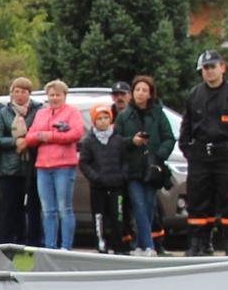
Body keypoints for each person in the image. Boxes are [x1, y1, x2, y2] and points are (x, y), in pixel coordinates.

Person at [178, 51, 228, 256]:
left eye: (213, 67)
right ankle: (199, 243)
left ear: (222, 67)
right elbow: (186, 125)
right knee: (198, 203)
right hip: (201, 157)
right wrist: (188, 150)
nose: (209, 72)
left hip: (227, 157)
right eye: (205, 68)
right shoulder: (195, 94)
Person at [116, 76, 175, 256]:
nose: (140, 93)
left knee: (149, 205)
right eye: (137, 90)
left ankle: (141, 246)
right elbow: (117, 142)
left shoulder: (158, 113)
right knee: (138, 204)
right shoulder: (125, 115)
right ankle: (149, 246)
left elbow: (169, 138)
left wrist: (159, 155)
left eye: (144, 90)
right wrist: (132, 141)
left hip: (152, 168)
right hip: (132, 168)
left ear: (150, 94)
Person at [25, 80, 84, 251]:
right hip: (43, 166)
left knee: (64, 208)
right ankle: (49, 245)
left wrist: (49, 136)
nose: (54, 98)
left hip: (64, 166)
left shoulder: (73, 113)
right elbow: (30, 137)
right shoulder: (41, 113)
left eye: (58, 95)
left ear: (65, 96)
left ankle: (66, 246)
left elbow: (76, 133)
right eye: (51, 95)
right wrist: (44, 135)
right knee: (47, 210)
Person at [0, 77, 42, 246]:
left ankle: (31, 241)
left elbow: (40, 132)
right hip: (9, 168)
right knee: (9, 209)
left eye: (24, 91)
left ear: (30, 93)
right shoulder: (4, 112)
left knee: (31, 208)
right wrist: (15, 142)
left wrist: (27, 141)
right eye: (16, 91)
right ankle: (7, 242)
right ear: (11, 93)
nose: (20, 95)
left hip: (31, 167)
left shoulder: (38, 110)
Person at [79, 105, 131, 253]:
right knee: (99, 218)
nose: (103, 121)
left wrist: (122, 176)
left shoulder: (118, 140)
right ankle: (101, 244)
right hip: (98, 187)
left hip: (117, 187)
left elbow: (125, 161)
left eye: (105, 117)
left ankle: (119, 245)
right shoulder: (89, 141)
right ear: (94, 121)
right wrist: (95, 178)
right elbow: (84, 163)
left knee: (118, 216)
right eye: (99, 118)